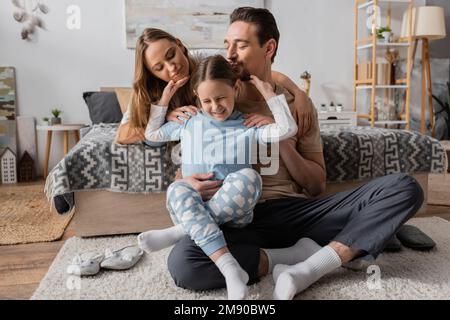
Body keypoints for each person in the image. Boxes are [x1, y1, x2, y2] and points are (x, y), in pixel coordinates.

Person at [167, 7, 424, 300]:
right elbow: (187, 160)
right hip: (237, 217)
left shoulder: (295, 105)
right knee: (183, 263)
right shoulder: (215, 100)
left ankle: (309, 269)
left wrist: (283, 137)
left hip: (296, 212)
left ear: (269, 47)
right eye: (227, 44)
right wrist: (185, 182)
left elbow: (316, 185)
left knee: (405, 188)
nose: (230, 54)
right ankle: (295, 256)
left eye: (240, 44)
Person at [137, 55, 299, 300]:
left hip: (234, 212)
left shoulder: (247, 124)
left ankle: (180, 231)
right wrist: (165, 102)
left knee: (250, 178)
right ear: (196, 97)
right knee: (176, 189)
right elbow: (152, 133)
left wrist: (269, 95)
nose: (215, 106)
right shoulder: (189, 121)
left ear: (235, 88)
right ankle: (230, 269)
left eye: (221, 97)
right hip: (192, 205)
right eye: (207, 101)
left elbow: (288, 129)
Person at [115, 28, 314, 146]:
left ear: (179, 44)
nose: (172, 66)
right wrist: (164, 116)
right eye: (159, 68)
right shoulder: (148, 90)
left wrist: (299, 94)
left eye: (171, 55)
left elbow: (260, 75)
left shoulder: (205, 61)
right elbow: (122, 135)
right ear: (151, 73)